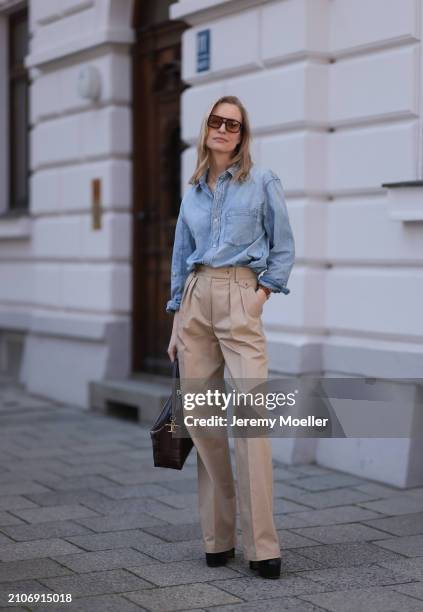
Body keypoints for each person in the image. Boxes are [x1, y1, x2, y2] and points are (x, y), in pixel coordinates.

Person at [166, 95, 295, 579]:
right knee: (201, 423)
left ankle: (263, 545)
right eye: (216, 122)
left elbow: (282, 246)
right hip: (196, 300)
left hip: (242, 295)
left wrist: (260, 295)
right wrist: (176, 321)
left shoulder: (262, 181)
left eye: (233, 125)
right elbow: (181, 256)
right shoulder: (194, 189)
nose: (223, 130)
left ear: (243, 135)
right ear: (205, 130)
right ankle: (218, 536)